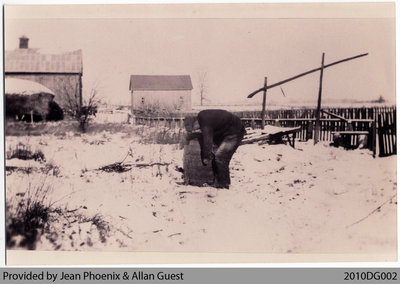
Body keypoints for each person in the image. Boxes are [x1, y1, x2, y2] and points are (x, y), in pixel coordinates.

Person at [184, 109, 246, 189]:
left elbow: (207, 140)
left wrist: (206, 156)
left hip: (235, 132)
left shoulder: (204, 120)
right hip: (228, 130)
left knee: (220, 157)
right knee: (217, 156)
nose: (196, 129)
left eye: (193, 128)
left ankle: (224, 184)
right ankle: (217, 181)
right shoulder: (204, 117)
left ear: (194, 122)